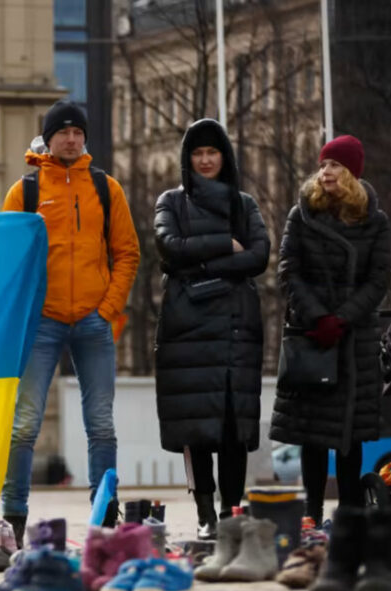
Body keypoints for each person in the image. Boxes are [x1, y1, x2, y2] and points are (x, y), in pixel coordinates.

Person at [0, 100, 140, 544]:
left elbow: (128, 252)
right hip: (43, 322)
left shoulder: (105, 188)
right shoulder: (25, 191)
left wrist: (108, 308)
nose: (72, 139)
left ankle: (104, 516)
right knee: (24, 424)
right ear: (50, 138)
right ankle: (14, 517)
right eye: (64, 132)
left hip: (94, 322)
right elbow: (7, 259)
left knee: (101, 424)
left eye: (78, 132)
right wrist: (27, 311)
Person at [153, 119, 271, 540]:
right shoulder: (170, 202)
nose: (205, 160)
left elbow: (259, 255)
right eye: (197, 154)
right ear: (188, 159)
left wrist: (196, 265)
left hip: (237, 327)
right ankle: (206, 515)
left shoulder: (245, 205)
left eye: (212, 152)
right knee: (196, 428)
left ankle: (232, 511)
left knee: (233, 425)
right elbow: (169, 247)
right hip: (188, 328)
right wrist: (224, 246)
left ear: (224, 157)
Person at [272, 135, 391, 523]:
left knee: (350, 435)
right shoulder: (301, 214)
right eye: (323, 165)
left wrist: (342, 318)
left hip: (354, 339)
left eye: (335, 165)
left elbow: (379, 279)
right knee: (311, 433)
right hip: (313, 337)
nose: (326, 172)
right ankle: (310, 512)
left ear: (352, 173)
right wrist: (319, 317)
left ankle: (351, 514)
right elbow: (288, 270)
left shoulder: (375, 222)